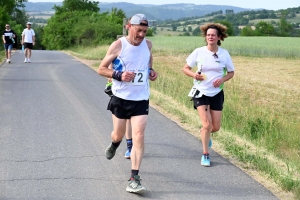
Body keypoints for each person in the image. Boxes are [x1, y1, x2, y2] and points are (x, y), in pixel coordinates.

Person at [97, 13, 158, 194]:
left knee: (139, 134)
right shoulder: (118, 45)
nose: (141, 35)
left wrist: (151, 71)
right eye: (138, 30)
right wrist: (119, 75)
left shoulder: (148, 44)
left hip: (141, 98)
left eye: (145, 31)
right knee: (118, 134)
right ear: (129, 27)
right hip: (121, 98)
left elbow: (148, 60)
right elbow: (101, 69)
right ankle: (115, 144)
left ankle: (134, 177)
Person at [182, 23, 235, 167]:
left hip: (217, 92)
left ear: (219, 37)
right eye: (208, 35)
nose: (210, 37)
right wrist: (194, 75)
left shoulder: (224, 54)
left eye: (213, 35)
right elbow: (185, 68)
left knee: (215, 127)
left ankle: (206, 134)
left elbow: (231, 72)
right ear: (205, 37)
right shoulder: (199, 52)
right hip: (201, 91)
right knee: (207, 124)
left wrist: (222, 79)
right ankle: (205, 154)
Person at [105, 76, 133, 159]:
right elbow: (106, 68)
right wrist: (111, 74)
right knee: (117, 135)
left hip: (135, 91)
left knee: (129, 118)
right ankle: (115, 142)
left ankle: (130, 147)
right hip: (118, 90)